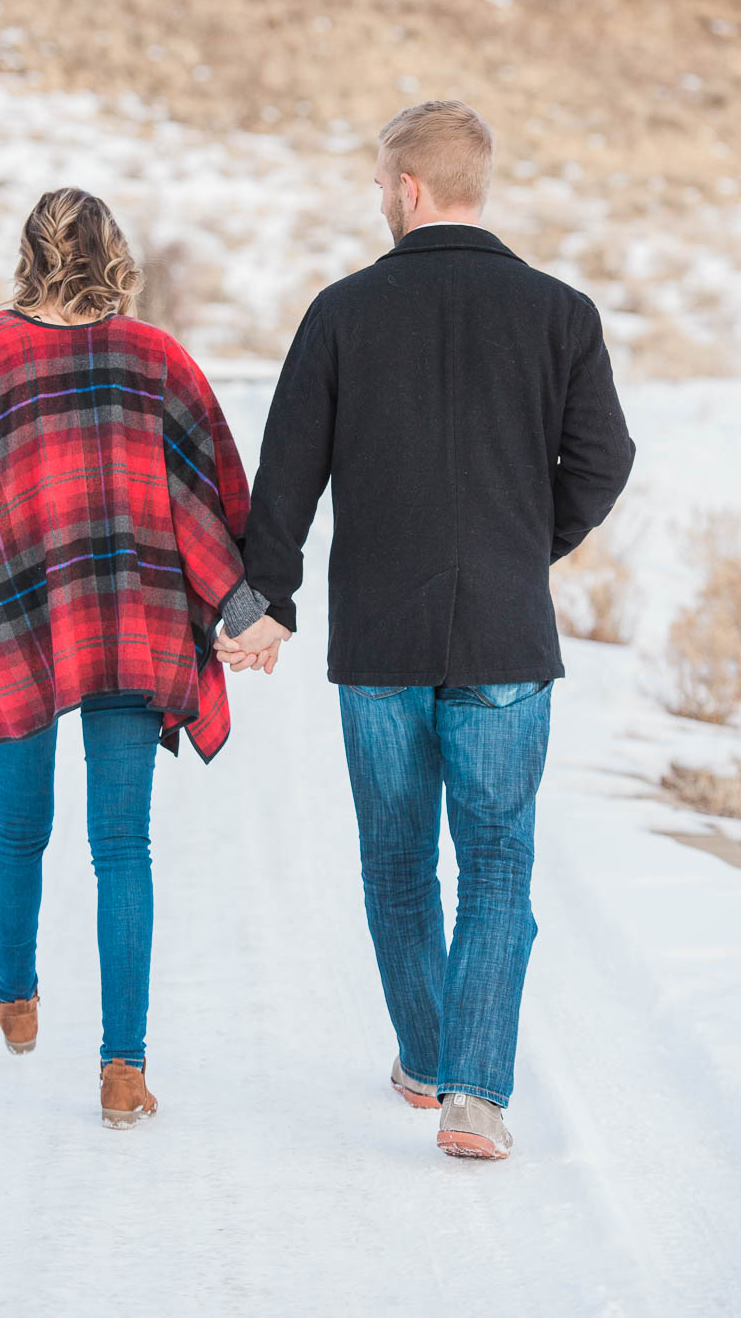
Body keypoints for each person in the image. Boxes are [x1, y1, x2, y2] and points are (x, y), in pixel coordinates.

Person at [215, 100, 636, 1160]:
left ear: (404, 190)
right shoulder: (562, 313)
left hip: (379, 640)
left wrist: (263, 598)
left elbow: (288, 476)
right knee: (497, 864)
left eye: (376, 185)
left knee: (398, 864)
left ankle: (427, 1056)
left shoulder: (343, 310)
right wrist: (521, 544)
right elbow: (604, 460)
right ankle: (474, 1096)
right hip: (503, 636)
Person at [0, 188, 266, 1128]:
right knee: (123, 845)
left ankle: (18, 999)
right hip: (133, 617)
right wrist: (240, 604)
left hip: (19, 614)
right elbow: (215, 493)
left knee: (19, 826)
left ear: (29, 254)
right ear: (115, 254)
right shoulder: (154, 356)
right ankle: (125, 1071)